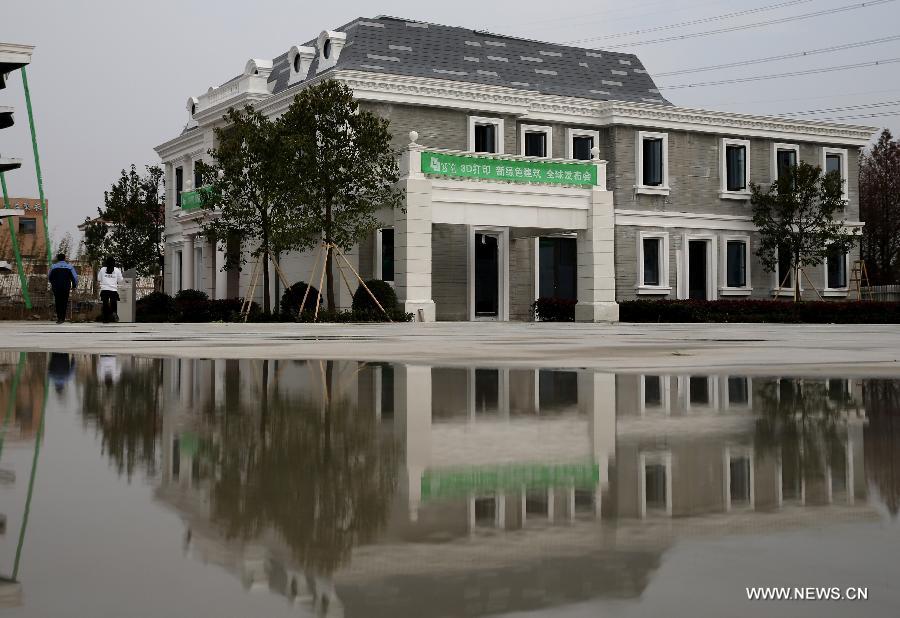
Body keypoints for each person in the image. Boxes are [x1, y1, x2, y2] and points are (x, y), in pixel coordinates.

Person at [47, 253, 78, 324]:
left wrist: (53, 283)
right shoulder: (69, 267)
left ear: (57, 258)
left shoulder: (53, 266)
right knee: (64, 302)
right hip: (66, 287)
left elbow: (49, 277)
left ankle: (59, 318)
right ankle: (63, 318)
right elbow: (75, 277)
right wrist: (74, 286)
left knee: (58, 302)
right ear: (64, 258)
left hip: (56, 287)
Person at [98, 256, 124, 323]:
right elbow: (120, 280)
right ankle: (113, 313)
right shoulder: (117, 270)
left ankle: (106, 318)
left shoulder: (102, 269)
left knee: (105, 304)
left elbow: (99, 279)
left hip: (104, 289)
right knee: (114, 303)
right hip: (113, 290)